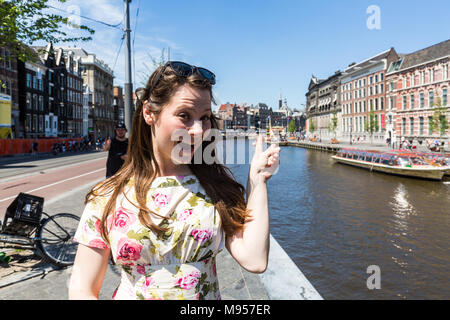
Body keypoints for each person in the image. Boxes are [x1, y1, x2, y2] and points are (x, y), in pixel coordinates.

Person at [68, 61, 280, 300]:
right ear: (149, 113)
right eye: (184, 116)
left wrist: (258, 180)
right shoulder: (107, 196)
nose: (199, 130)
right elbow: (82, 289)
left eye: (205, 117)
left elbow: (254, 259)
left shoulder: (216, 185)